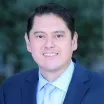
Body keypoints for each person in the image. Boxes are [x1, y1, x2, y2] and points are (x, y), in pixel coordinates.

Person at [0, 3, 104, 104]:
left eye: (58, 36)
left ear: (74, 41)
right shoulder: (10, 89)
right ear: (28, 42)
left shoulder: (101, 88)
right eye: (40, 36)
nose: (49, 44)